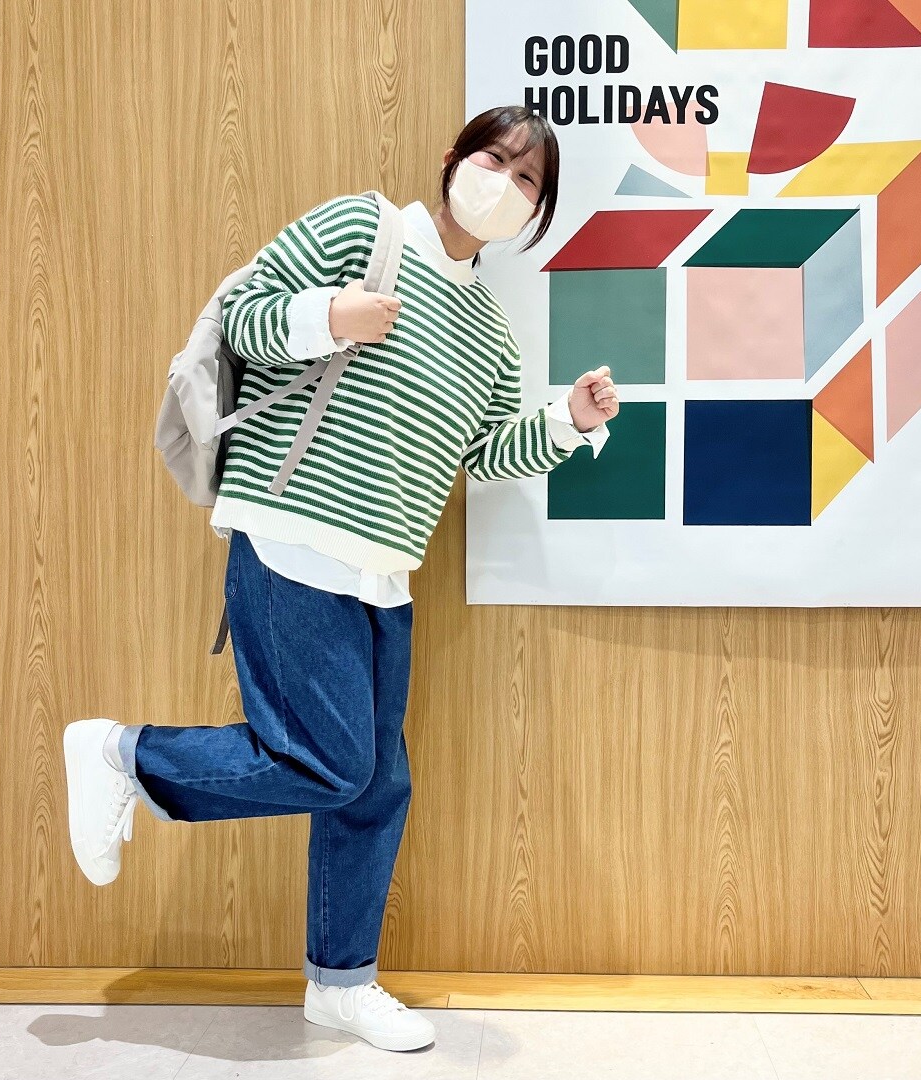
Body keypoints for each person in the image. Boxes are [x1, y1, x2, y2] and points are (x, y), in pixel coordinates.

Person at [63, 105, 620, 1052]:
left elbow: (481, 455)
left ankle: (340, 983)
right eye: (495, 159)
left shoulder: (489, 331)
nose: (504, 184)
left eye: (528, 180)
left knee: (374, 787)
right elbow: (244, 318)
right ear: (453, 159)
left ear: (535, 213)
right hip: (291, 540)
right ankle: (126, 755)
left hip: (385, 575)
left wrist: (568, 419)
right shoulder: (365, 229)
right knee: (330, 762)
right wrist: (328, 317)